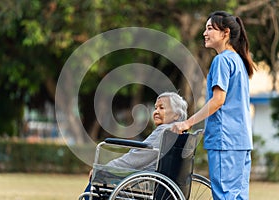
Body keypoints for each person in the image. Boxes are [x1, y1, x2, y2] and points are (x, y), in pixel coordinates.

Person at [171, 11, 256, 200]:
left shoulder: (222, 60)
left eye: (209, 28)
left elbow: (218, 100)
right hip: (241, 142)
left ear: (225, 33)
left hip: (225, 141)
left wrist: (187, 123)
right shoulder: (239, 62)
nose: (204, 33)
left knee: (224, 196)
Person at [84, 92, 188, 199]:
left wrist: (107, 168)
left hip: (145, 181)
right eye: (156, 108)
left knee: (96, 183)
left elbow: (137, 157)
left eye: (162, 108)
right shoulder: (178, 132)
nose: (156, 111)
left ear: (177, 115)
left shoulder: (165, 130)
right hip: (157, 181)